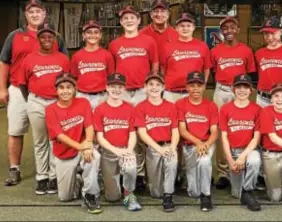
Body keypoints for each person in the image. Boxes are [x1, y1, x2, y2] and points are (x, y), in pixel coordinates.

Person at [0, 0, 67, 186]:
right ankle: (14, 169)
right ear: (26, 15)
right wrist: (2, 88)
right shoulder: (15, 36)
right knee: (16, 130)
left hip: (49, 93)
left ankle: (54, 172)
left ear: (44, 14)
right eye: (31, 12)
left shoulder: (56, 37)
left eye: (38, 11)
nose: (35, 14)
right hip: (19, 89)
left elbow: (64, 64)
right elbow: (4, 62)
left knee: (52, 133)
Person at [109, 5, 159, 191]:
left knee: (142, 133)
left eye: (133, 17)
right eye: (125, 18)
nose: (129, 20)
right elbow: (112, 70)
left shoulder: (148, 41)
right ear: (121, 22)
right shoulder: (114, 44)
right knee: (124, 132)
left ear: (139, 20)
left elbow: (155, 65)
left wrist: (152, 89)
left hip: (142, 91)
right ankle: (127, 170)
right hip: (121, 93)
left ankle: (141, 173)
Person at [18, 23, 70, 195]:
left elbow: (68, 83)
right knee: (40, 140)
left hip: (57, 103)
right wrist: (32, 100)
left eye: (50, 36)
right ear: (38, 38)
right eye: (43, 36)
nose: (47, 39)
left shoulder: (62, 58)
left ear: (54, 38)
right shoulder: (29, 59)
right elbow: (23, 84)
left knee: (55, 140)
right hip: (36, 101)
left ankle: (54, 176)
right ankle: (42, 177)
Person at [45, 72, 102, 214]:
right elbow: (60, 135)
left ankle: (90, 194)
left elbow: (89, 126)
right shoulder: (50, 109)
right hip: (64, 154)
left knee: (94, 156)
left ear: (75, 89)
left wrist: (88, 144)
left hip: (82, 149)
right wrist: (82, 147)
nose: (65, 91)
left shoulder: (83, 103)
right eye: (62, 88)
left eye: (69, 87)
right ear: (56, 90)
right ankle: (79, 178)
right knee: (65, 197)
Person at [210, 16, 256, 190]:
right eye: (225, 28)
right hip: (222, 90)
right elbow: (214, 71)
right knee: (222, 129)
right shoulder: (215, 51)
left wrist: (244, 93)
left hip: (241, 91)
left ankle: (243, 163)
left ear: (238, 29)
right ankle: (223, 172)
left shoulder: (246, 50)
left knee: (242, 126)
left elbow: (250, 73)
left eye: (232, 27)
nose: (229, 31)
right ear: (221, 31)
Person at [254, 17, 282, 191]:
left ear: (280, 32)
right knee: (262, 135)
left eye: (272, 33)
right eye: (266, 34)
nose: (269, 37)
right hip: (263, 98)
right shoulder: (259, 53)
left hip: (281, 99)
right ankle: (263, 174)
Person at [93, 73, 142, 212]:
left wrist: (129, 150)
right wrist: (117, 151)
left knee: (131, 166)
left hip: (125, 149)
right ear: (106, 88)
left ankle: (129, 194)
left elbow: (133, 134)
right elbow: (100, 137)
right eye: (113, 86)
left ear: (124, 88)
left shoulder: (130, 108)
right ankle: (107, 180)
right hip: (108, 152)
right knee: (112, 197)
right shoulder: (100, 109)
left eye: (119, 86)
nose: (116, 89)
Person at [135, 72, 179, 212]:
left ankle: (169, 195)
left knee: (171, 160)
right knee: (155, 193)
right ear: (145, 87)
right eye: (151, 84)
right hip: (153, 147)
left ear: (163, 87)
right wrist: (158, 149)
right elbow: (142, 132)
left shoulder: (171, 106)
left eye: (158, 85)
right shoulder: (141, 107)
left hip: (168, 144)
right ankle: (160, 189)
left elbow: (175, 131)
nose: (154, 88)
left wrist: (172, 147)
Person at [176, 71, 218, 212]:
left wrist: (205, 144)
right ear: (187, 87)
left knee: (205, 160)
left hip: (206, 145)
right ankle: (199, 178)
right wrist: (198, 143)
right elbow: (182, 130)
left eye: (199, 85)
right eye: (192, 85)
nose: (195, 89)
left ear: (204, 87)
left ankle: (206, 195)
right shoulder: (180, 104)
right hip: (190, 146)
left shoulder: (211, 105)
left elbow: (214, 132)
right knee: (193, 193)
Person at [219, 74, 261, 211]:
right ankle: (243, 191)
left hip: (249, 151)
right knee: (237, 194)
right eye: (238, 87)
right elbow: (224, 137)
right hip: (233, 153)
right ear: (233, 89)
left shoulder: (257, 109)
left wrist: (243, 156)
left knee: (254, 160)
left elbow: (256, 138)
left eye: (245, 87)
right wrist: (230, 160)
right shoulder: (225, 109)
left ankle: (248, 191)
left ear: (251, 90)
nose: (242, 90)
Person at [161, 13, 211, 103]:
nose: (185, 28)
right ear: (176, 28)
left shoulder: (202, 46)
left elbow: (207, 68)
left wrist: (203, 85)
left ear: (193, 27)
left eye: (188, 25)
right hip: (171, 93)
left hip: (192, 92)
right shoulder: (167, 46)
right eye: (182, 26)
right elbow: (163, 69)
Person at [71, 20, 115, 111]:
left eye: (96, 32)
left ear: (100, 35)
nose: (93, 35)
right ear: (83, 35)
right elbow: (73, 78)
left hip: (102, 95)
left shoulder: (107, 55)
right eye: (89, 32)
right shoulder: (77, 55)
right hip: (82, 95)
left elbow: (111, 77)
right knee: (83, 124)